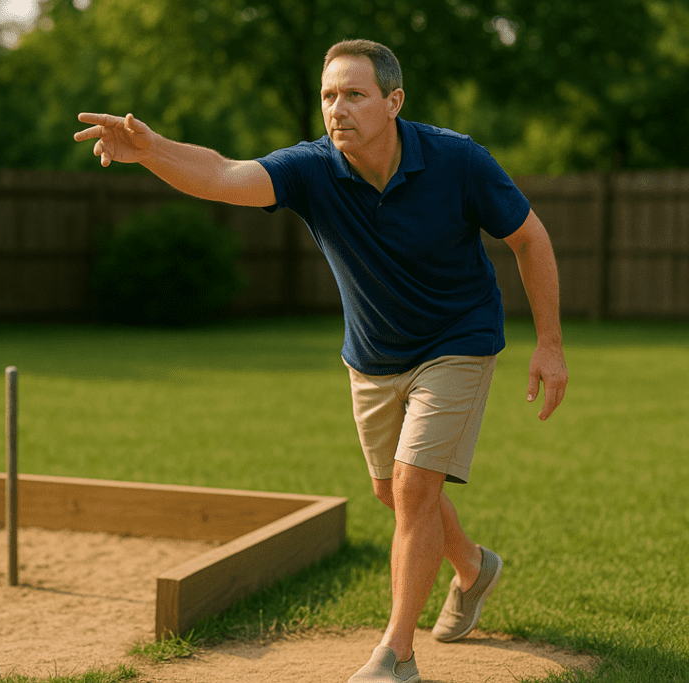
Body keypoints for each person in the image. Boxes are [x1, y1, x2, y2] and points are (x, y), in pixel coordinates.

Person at [75, 38, 567, 683]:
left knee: (417, 486)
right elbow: (223, 173)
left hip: (459, 338)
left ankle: (396, 655)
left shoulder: (457, 160)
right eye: (329, 95)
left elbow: (529, 238)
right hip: (372, 354)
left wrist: (550, 344)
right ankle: (474, 567)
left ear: (393, 102)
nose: (338, 109)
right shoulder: (312, 169)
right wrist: (150, 149)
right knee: (392, 492)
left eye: (354, 94)